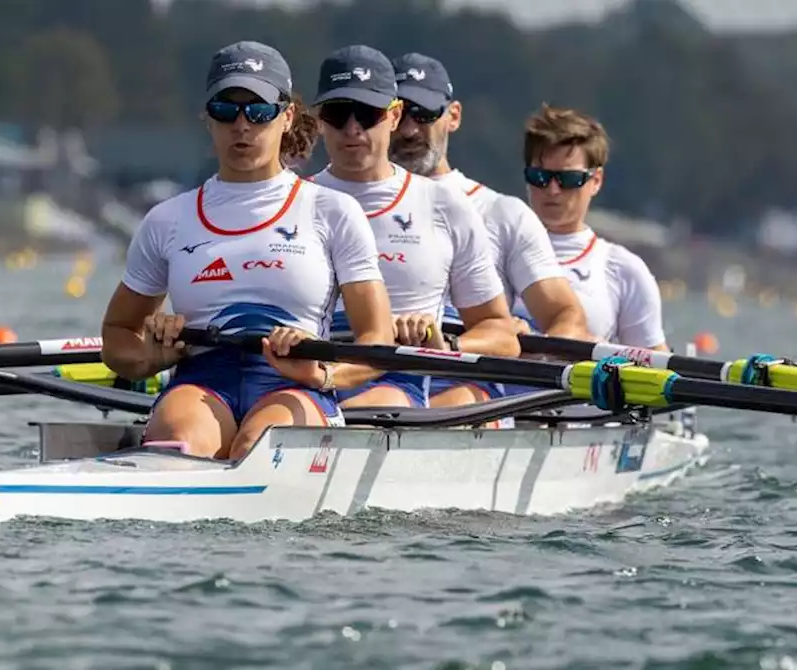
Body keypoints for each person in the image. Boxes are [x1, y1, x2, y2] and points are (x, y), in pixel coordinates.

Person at [100, 41, 395, 461]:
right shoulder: (167, 219)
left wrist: (322, 373)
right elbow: (116, 335)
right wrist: (151, 357)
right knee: (183, 439)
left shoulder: (332, 211)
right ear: (208, 118)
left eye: (258, 111)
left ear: (287, 117)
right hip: (202, 380)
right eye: (226, 109)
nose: (242, 125)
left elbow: (377, 342)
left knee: (259, 444)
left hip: (296, 383)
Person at [307, 44, 519, 409]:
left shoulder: (443, 206)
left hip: (395, 380)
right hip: (304, 376)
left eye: (367, 114)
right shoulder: (295, 201)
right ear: (319, 119)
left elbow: (502, 336)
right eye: (338, 114)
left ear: (394, 114)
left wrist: (448, 345)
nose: (352, 129)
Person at [388, 52, 592, 410]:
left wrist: (540, 347)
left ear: (453, 117)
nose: (409, 129)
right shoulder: (343, 204)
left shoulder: (501, 213)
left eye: (423, 114)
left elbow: (566, 315)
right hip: (365, 380)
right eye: (400, 113)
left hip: (463, 391)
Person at [521, 103, 668, 351]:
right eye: (540, 177)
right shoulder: (492, 251)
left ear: (596, 181)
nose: (553, 190)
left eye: (568, 179)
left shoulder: (624, 271)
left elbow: (655, 367)